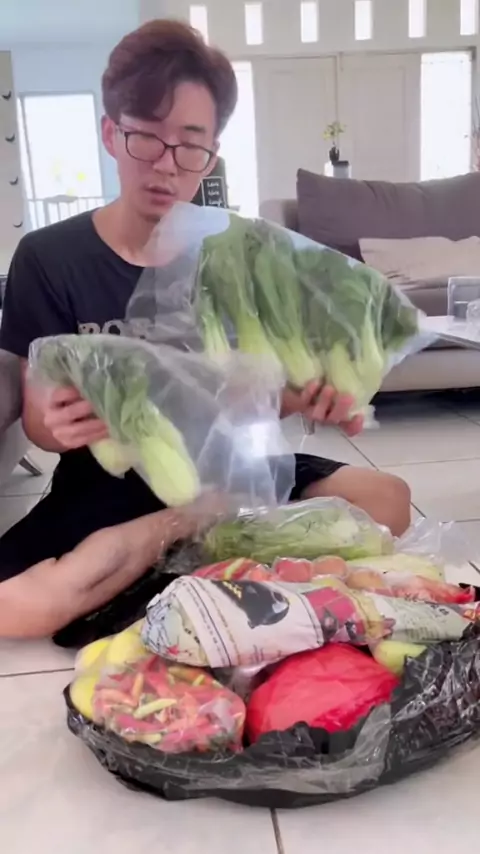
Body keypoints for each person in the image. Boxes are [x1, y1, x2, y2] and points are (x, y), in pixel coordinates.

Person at [0, 20, 410, 639]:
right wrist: (56, 425)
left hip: (230, 474)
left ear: (211, 155)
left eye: (190, 146)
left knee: (389, 499)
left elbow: (260, 398)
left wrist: (311, 397)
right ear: (112, 134)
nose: (166, 167)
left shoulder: (239, 255)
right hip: (108, 485)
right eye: (146, 138)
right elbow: (38, 421)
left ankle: (174, 561)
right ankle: (191, 542)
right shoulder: (49, 255)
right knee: (11, 607)